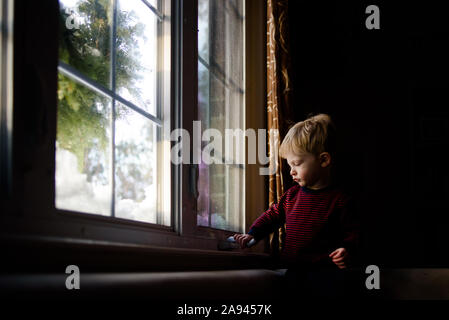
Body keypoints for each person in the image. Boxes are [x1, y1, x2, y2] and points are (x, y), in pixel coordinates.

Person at [233, 113, 360, 299]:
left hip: (325, 274)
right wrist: (253, 233)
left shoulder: (340, 200)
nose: (291, 171)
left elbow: (354, 232)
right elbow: (272, 215)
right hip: (291, 271)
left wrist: (347, 250)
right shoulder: (292, 196)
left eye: (297, 164)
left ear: (323, 160)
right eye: (289, 164)